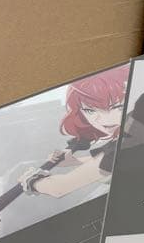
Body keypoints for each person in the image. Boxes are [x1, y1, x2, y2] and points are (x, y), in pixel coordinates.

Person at [18, 66, 128, 198]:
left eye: (117, 107)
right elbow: (109, 162)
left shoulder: (130, 139)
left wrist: (32, 182)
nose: (102, 119)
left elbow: (60, 187)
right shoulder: (125, 137)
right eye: (90, 110)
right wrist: (75, 161)